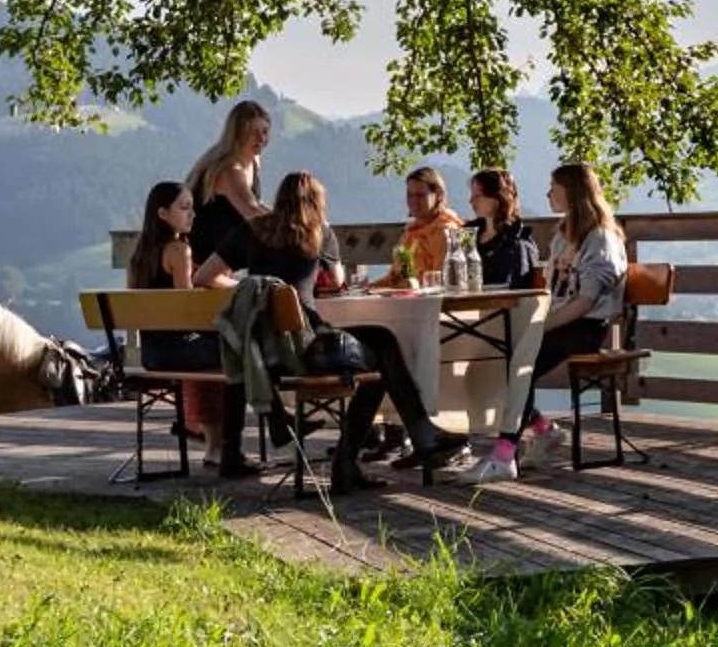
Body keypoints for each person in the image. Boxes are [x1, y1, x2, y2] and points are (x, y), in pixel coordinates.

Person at [235, 173, 469, 492]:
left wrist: (254, 290)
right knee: (382, 350)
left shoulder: (251, 230)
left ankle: (392, 447)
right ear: (317, 203)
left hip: (267, 351)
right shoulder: (319, 232)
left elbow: (207, 274)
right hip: (308, 348)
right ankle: (405, 442)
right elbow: (339, 283)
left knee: (378, 354)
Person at [463, 160, 623, 482]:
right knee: (500, 357)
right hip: (559, 320)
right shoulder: (565, 235)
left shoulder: (600, 239)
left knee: (521, 359)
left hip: (585, 327)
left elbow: (585, 302)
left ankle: (504, 455)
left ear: (573, 193)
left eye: (555, 188)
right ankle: (543, 430)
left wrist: (540, 327)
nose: (548, 193)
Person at [123, 181, 257, 477]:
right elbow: (186, 312)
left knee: (221, 354)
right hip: (180, 352)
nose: (192, 215)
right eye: (184, 208)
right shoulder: (179, 250)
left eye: (192, 207)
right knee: (238, 351)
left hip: (151, 355)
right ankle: (235, 444)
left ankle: (217, 445)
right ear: (162, 214)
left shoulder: (138, 256)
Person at [182, 98, 273, 272]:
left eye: (265, 131)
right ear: (237, 134)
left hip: (221, 255)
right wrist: (294, 224)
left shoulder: (252, 161)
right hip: (202, 260)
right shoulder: (230, 170)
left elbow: (257, 205)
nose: (261, 138)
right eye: (253, 132)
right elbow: (252, 212)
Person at [467, 167, 541, 289]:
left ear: (498, 198)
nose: (471, 201)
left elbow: (513, 287)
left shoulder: (517, 242)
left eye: (478, 196)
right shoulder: (470, 235)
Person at [392, 165, 464, 286]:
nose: (414, 200)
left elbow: (440, 281)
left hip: (434, 302)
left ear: (439, 195)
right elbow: (394, 277)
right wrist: (367, 289)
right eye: (410, 195)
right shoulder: (410, 233)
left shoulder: (445, 232)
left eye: (420, 195)